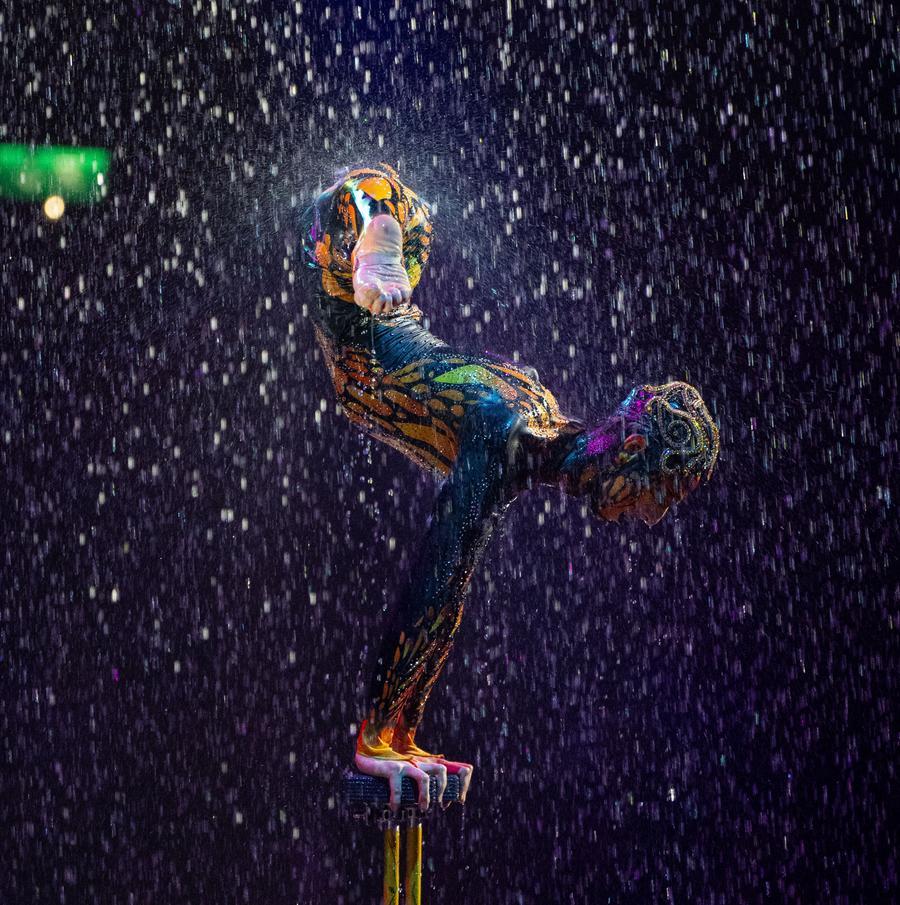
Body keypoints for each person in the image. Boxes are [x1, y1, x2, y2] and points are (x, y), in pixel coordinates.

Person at [299, 163, 719, 813]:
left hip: (375, 319)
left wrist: (403, 732)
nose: (652, 517)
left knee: (413, 226)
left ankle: (383, 226)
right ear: (633, 452)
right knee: (379, 208)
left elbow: (449, 591)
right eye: (658, 495)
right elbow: (437, 578)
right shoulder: (509, 439)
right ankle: (377, 227)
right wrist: (376, 733)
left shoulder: (534, 414)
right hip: (350, 306)